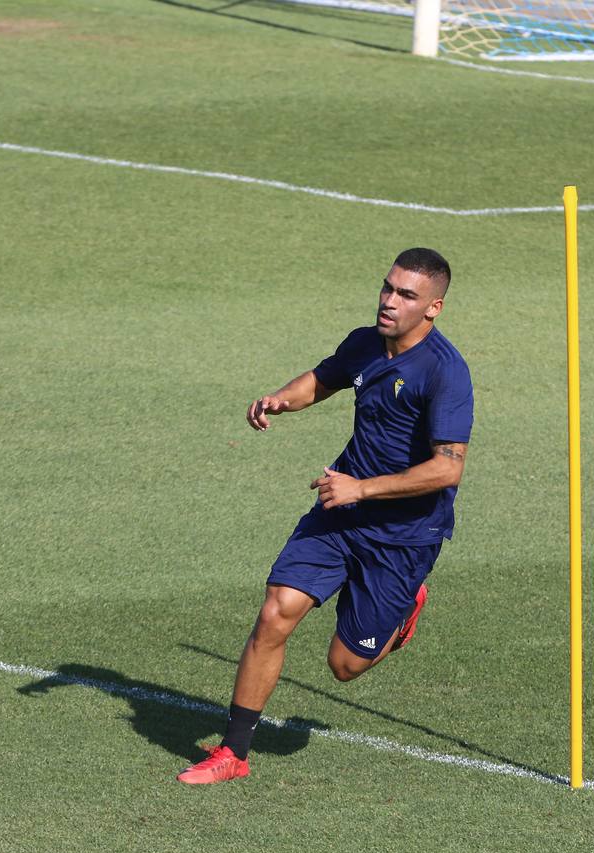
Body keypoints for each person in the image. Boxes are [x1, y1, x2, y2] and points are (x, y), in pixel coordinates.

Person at [178, 247, 473, 784]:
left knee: (344, 667)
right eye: (387, 287)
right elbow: (323, 378)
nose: (389, 301)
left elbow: (447, 470)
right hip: (340, 507)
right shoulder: (365, 343)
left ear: (434, 308)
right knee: (276, 612)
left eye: (406, 295)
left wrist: (362, 488)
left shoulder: (445, 372)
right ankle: (234, 754)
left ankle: (404, 608)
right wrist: (280, 400)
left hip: (403, 534)